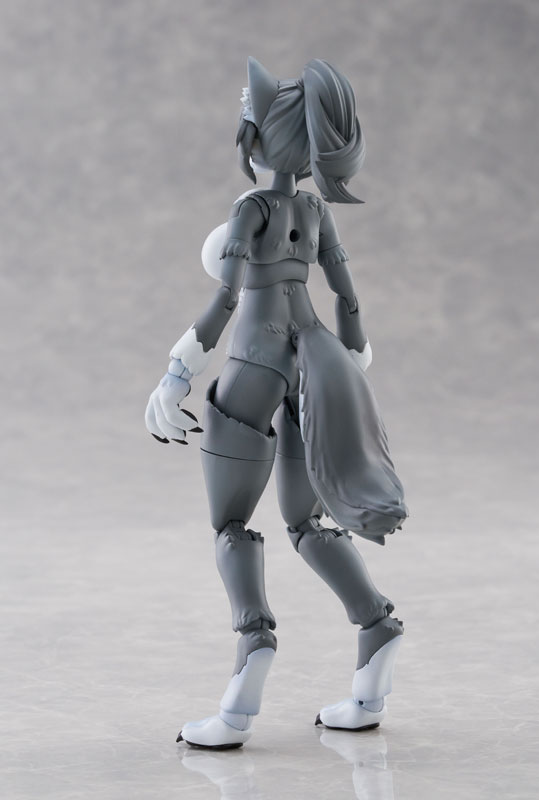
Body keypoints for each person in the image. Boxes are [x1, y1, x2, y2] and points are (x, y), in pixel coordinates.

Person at [145, 57, 408, 749]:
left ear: (257, 138)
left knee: (231, 523)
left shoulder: (252, 208)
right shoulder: (316, 209)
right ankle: (375, 628)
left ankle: (250, 653)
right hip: (314, 353)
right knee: (306, 521)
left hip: (255, 362)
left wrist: (177, 372)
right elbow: (346, 296)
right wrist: (351, 359)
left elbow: (227, 296)